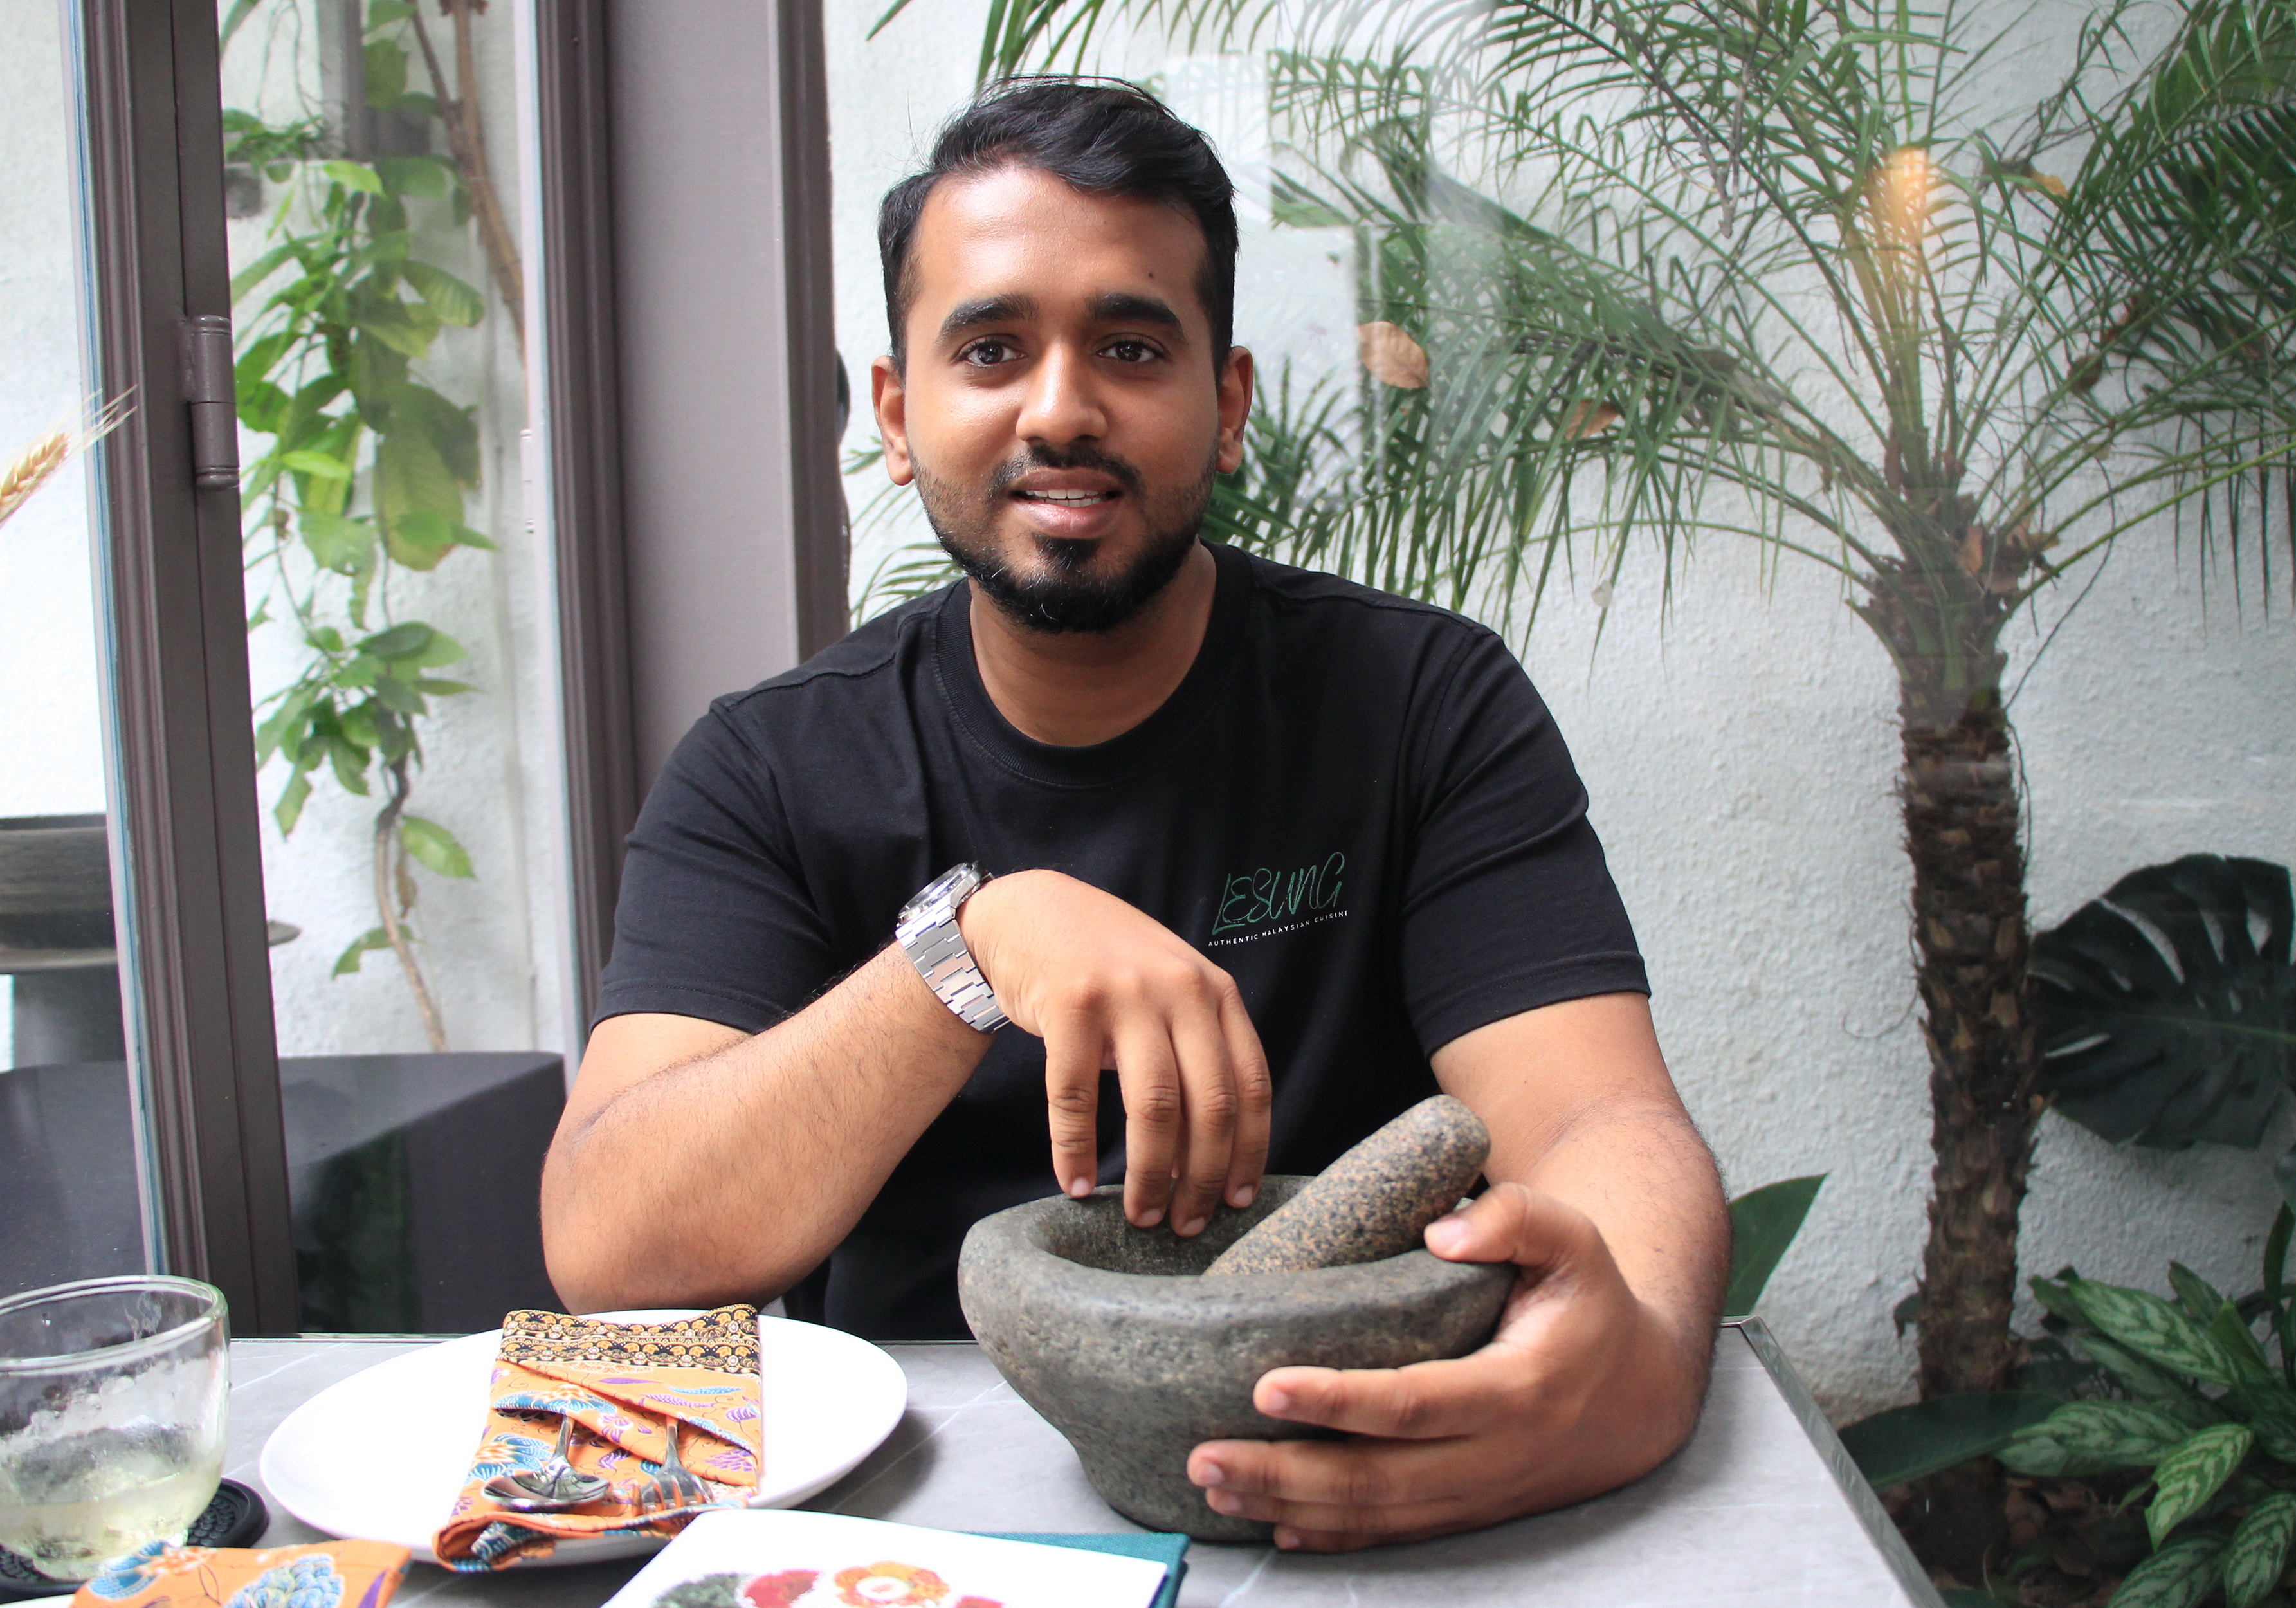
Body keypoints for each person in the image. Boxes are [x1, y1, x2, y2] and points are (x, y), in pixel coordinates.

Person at [541, 77, 1727, 1551]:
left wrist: (1643, 1352)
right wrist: (968, 950)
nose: (1058, 407)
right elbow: (611, 1246)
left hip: (1360, 1484)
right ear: (898, 414)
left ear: (1222, 404)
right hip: (912, 1521)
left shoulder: (1420, 700)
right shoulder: (767, 766)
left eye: (1127, 344)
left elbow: (1602, 1114)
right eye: (990, 348)